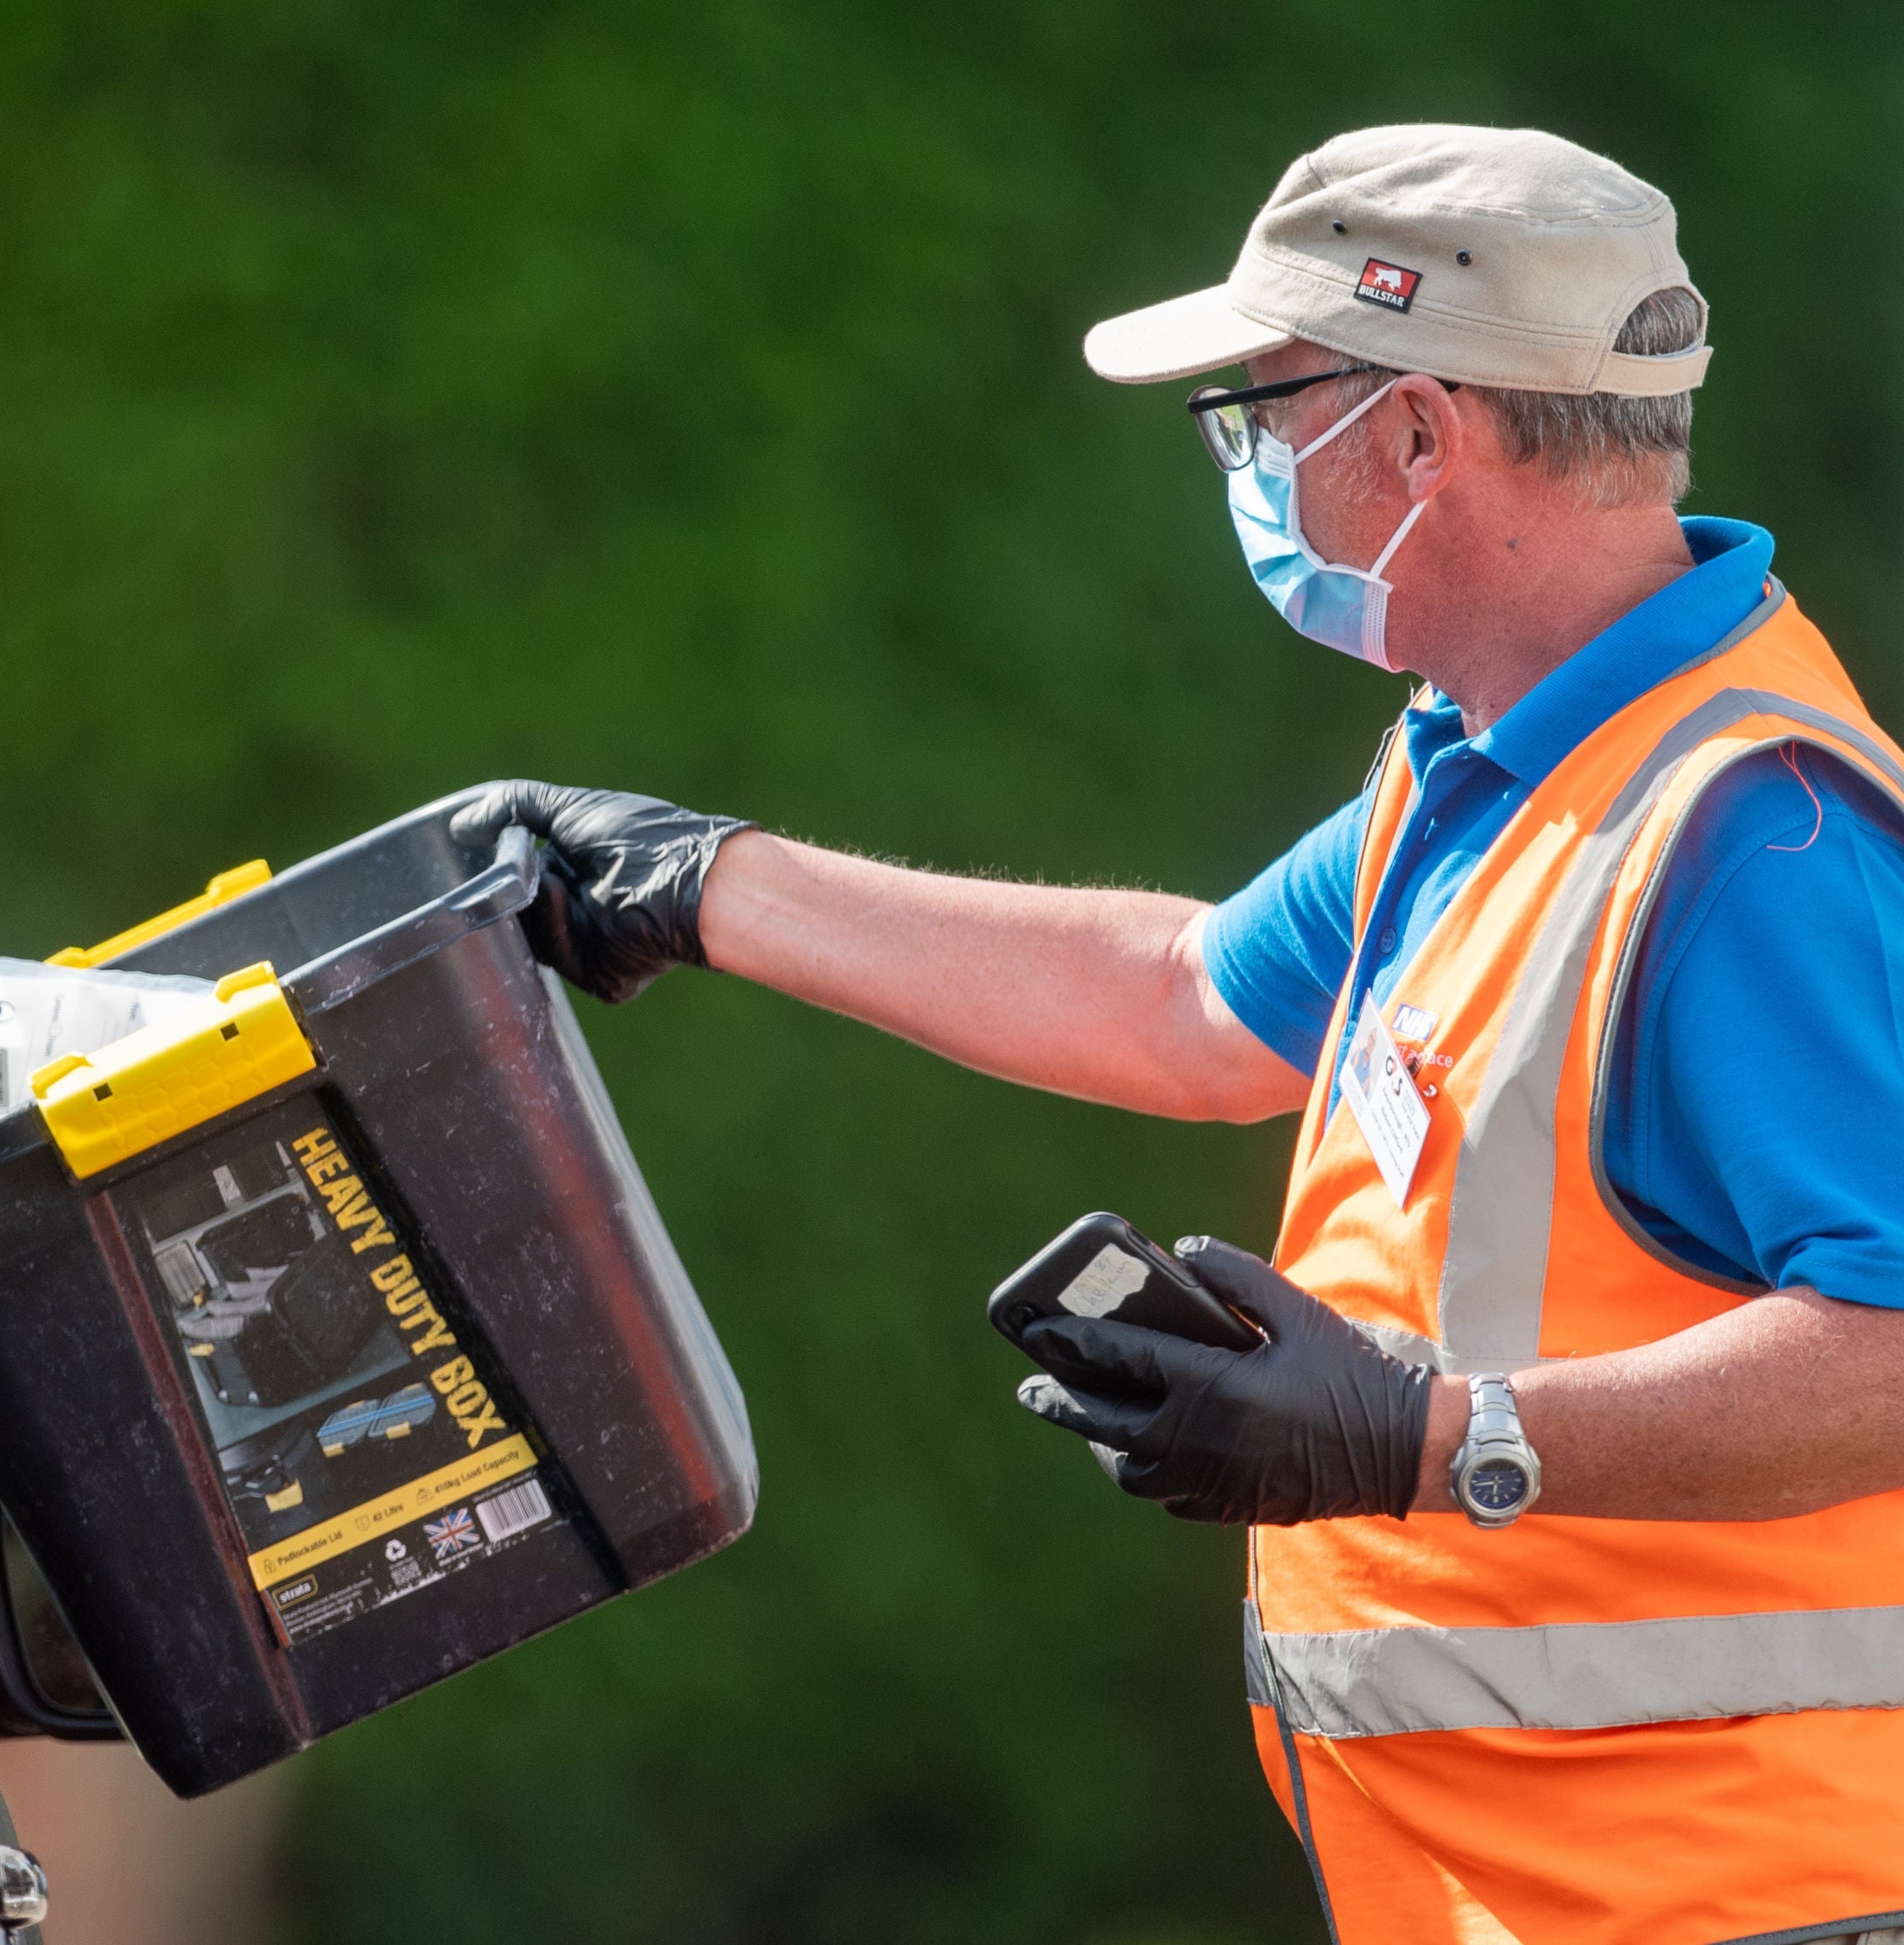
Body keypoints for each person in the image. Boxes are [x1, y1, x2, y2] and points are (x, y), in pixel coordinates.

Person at [453, 126, 1904, 1943]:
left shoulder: (1749, 833)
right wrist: (706, 885)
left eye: (1263, 409)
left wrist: (1428, 1438)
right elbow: (1193, 1001)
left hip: (1741, 1904)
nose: (1254, 458)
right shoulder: (1496, 754)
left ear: (1420, 436)